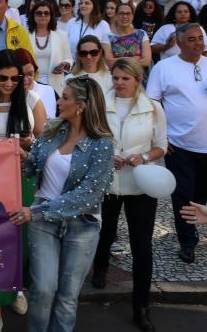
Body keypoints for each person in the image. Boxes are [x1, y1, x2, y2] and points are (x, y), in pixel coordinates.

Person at [14, 75, 114, 332]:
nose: (59, 102)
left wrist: (36, 211)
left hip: (82, 225)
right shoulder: (52, 130)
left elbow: (88, 195)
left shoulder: (102, 144)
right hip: (43, 221)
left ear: (81, 104)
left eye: (65, 97)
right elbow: (31, 168)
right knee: (43, 289)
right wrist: (20, 154)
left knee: (67, 298)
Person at [0, 49, 47, 330]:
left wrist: (28, 147)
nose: (8, 84)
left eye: (15, 78)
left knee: (24, 239)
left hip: (23, 177)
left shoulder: (31, 99)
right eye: (2, 78)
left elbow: (44, 140)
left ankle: (18, 287)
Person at [91, 58, 166, 331]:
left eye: (125, 78)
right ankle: (100, 267)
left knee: (142, 245)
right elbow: (91, 138)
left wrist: (142, 156)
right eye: (116, 78)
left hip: (140, 183)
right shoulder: (100, 104)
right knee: (105, 231)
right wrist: (108, 156)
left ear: (137, 80)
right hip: (109, 181)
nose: (119, 83)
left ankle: (142, 306)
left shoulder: (153, 108)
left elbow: (161, 146)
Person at [146, 22, 207, 264]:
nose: (198, 43)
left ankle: (195, 221)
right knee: (183, 194)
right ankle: (187, 241)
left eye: (200, 38)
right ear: (179, 42)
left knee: (200, 195)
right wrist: (161, 137)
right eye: (191, 39)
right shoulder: (165, 68)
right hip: (179, 145)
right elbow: (152, 103)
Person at [28, 0, 72, 95]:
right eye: (39, 13)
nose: (43, 15)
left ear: (51, 16)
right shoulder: (25, 35)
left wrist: (65, 64)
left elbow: (69, 58)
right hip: (31, 84)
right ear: (33, 15)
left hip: (55, 84)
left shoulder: (62, 35)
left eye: (46, 13)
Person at [105, 2, 152, 68]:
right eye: (121, 13)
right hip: (117, 75)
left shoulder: (141, 34)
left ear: (132, 16)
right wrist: (136, 58)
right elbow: (109, 62)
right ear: (115, 16)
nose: (125, 16)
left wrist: (118, 59)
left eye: (128, 13)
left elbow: (146, 61)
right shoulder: (107, 36)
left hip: (138, 76)